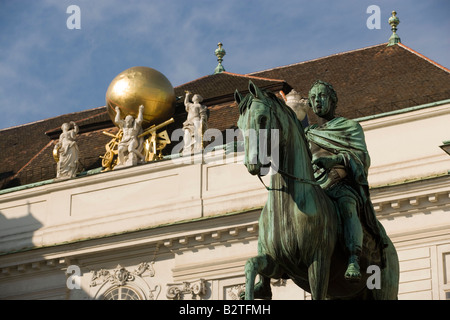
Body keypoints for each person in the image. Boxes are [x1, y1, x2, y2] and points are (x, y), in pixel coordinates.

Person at [304, 80, 387, 282]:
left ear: (333, 101)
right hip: (314, 187)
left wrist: (334, 160)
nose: (317, 101)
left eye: (322, 96)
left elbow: (362, 157)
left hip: (340, 184)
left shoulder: (350, 127)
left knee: (347, 205)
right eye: (314, 98)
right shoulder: (307, 133)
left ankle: (353, 258)